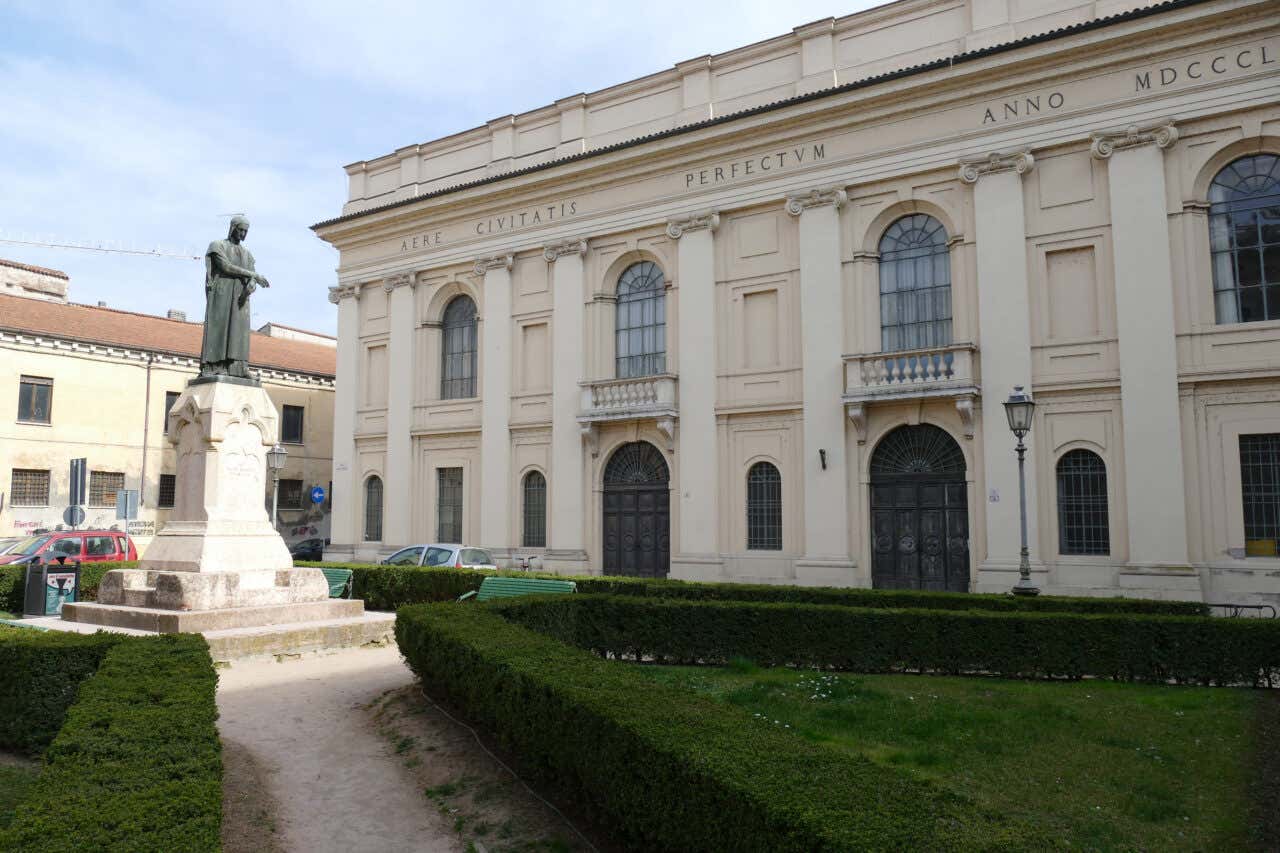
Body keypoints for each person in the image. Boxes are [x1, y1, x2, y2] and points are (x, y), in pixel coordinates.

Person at [200, 215, 270, 378]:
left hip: (241, 296)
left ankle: (238, 368)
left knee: (240, 331)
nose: (243, 234)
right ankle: (215, 365)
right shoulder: (218, 246)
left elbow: (251, 276)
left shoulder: (247, 254)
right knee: (220, 327)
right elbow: (226, 266)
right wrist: (254, 275)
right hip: (222, 293)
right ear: (233, 228)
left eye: (246, 231)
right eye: (241, 230)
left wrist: (252, 284)